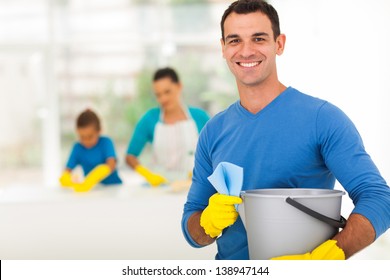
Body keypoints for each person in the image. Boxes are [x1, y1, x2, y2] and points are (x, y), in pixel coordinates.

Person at [181, 0, 390, 260]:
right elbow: (192, 227)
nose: (245, 51)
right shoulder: (213, 131)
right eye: (234, 40)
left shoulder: (322, 119)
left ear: (279, 44)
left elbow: (379, 199)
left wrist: (328, 256)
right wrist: (206, 223)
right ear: (223, 48)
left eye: (258, 39)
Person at [125, 67, 210, 186]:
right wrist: (148, 175)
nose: (163, 99)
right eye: (158, 95)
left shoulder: (200, 117)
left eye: (167, 92)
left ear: (179, 86)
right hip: (159, 187)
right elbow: (130, 157)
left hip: (193, 186)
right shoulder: (149, 119)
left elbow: (216, 151)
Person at [59, 109, 122, 192]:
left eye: (90, 136)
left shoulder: (106, 142)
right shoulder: (77, 148)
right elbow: (67, 171)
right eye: (82, 137)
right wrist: (68, 180)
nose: (86, 141)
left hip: (114, 188)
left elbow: (111, 165)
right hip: (93, 190)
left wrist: (93, 177)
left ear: (99, 131)